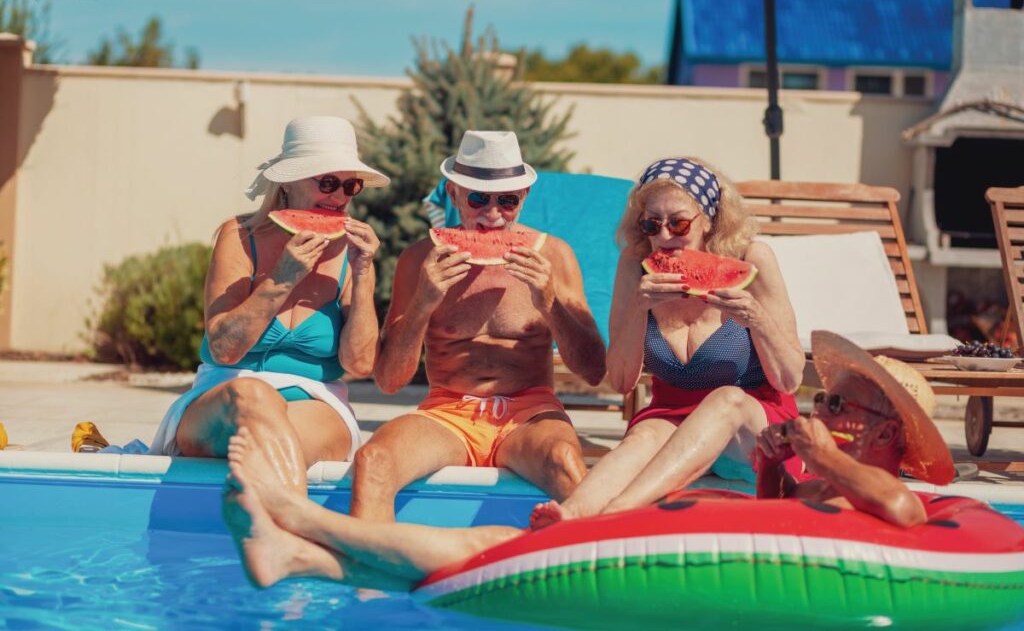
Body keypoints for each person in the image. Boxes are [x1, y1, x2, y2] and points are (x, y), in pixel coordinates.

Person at [219, 331, 954, 589]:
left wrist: (823, 457)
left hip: (690, 558)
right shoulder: (833, 480)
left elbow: (901, 509)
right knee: (485, 550)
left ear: (891, 431)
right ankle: (302, 557)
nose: (828, 414)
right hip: (697, 542)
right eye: (828, 404)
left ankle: (295, 515)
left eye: (847, 407)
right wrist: (776, 462)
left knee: (488, 548)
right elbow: (773, 517)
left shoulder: (886, 491)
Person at [532, 157, 805, 527]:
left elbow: (789, 380)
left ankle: (616, 514)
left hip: (757, 431)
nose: (663, 237)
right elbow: (622, 381)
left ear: (709, 219)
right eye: (652, 224)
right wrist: (638, 307)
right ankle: (570, 515)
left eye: (678, 223)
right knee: (643, 434)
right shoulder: (636, 263)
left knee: (726, 401)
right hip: (672, 420)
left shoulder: (753, 260)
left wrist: (756, 317)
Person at [351, 130, 607, 520]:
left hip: (530, 413)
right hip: (447, 412)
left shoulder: (555, 255)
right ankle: (368, 577)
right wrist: (424, 303)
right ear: (453, 194)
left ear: (524, 197)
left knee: (566, 461)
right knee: (373, 459)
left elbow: (592, 372)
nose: (492, 215)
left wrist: (549, 303)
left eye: (507, 201)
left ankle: (588, 571)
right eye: (478, 199)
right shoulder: (420, 259)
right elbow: (388, 381)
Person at [148, 115, 387, 494]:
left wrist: (363, 277)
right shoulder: (239, 236)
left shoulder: (352, 252)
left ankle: (264, 530)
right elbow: (224, 350)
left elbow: (359, 364)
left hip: (316, 403)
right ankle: (293, 531)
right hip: (227, 397)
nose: (339, 197)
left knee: (278, 429)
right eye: (326, 182)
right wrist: (282, 280)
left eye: (350, 185)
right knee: (254, 396)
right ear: (287, 182)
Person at [756, 330, 955, 526]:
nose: (817, 413)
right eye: (821, 400)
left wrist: (824, 455)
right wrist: (771, 463)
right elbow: (773, 512)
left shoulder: (900, 499)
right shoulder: (814, 490)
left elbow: (899, 505)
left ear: (884, 434)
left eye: (836, 404)